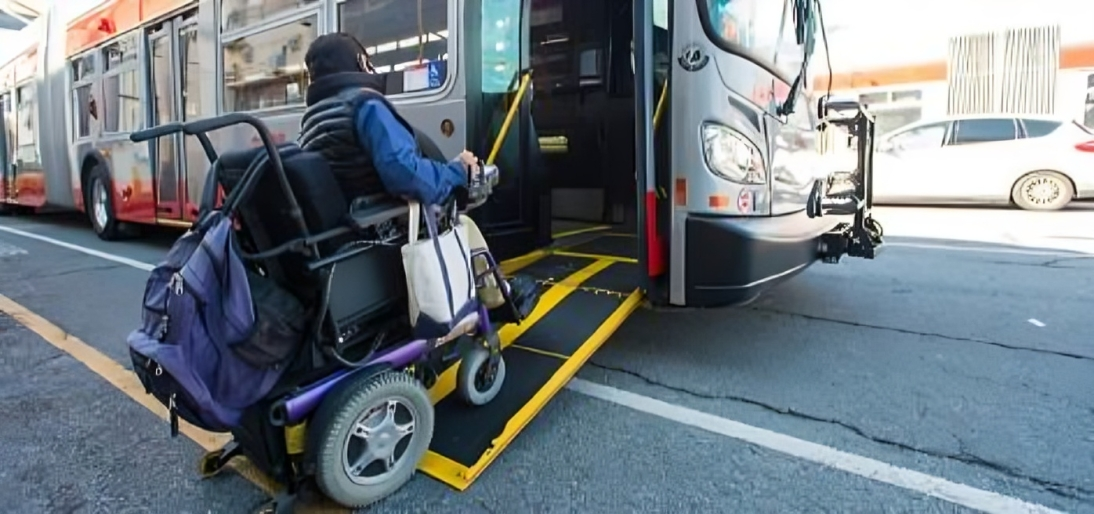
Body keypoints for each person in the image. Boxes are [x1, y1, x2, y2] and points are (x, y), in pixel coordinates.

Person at [299, 32, 527, 315]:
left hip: (346, 231)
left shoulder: (311, 122)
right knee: (461, 224)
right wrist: (458, 171)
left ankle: (496, 292)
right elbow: (406, 176)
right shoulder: (366, 106)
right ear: (361, 62)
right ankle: (497, 298)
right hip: (382, 230)